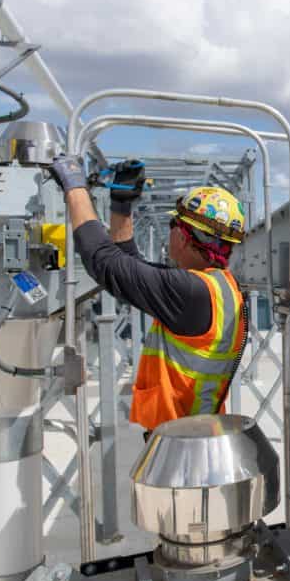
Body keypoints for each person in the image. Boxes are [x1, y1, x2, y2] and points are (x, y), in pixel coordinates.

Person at [49, 156, 247, 435]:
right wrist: (122, 204)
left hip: (180, 441)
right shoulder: (217, 287)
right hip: (195, 430)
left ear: (183, 235)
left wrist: (74, 186)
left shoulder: (189, 292)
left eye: (173, 227)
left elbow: (104, 262)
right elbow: (130, 263)